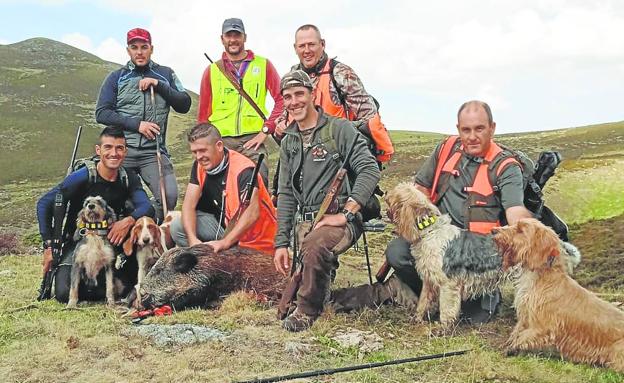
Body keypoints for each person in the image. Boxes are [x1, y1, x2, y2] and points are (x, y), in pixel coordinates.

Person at [385, 100, 533, 323]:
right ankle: (431, 292)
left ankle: (480, 292)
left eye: (479, 129)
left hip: (479, 253)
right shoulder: (445, 150)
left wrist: (529, 235)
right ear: (458, 129)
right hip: (438, 239)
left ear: (492, 128)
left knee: (473, 318)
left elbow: (515, 211)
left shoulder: (506, 167)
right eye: (466, 130)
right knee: (398, 252)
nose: (472, 136)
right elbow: (420, 191)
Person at [273, 70, 381, 332]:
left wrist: (346, 213)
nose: (294, 101)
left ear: (312, 94)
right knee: (293, 293)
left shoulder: (339, 129)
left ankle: (307, 313)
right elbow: (286, 193)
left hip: (341, 220)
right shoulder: (288, 141)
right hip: (305, 225)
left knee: (314, 250)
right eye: (287, 97)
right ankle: (377, 294)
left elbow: (369, 169)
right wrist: (281, 243)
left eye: (299, 94)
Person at [36, 127, 155, 303]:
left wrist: (128, 221)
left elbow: (146, 206)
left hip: (112, 239)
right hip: (80, 241)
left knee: (130, 278)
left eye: (119, 148)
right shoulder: (82, 176)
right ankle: (105, 288)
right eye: (108, 147)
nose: (114, 153)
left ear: (125, 151)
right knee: (63, 293)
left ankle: (130, 280)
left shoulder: (128, 177)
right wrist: (48, 245)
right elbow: (45, 203)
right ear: (98, 150)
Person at [95, 27, 191, 222]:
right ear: (128, 50)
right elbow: (102, 113)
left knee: (169, 198)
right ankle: (126, 238)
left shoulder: (166, 73)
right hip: (123, 151)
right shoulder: (116, 77)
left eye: (144, 47)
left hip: (153, 151)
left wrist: (159, 84)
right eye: (134, 47)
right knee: (116, 200)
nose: (139, 52)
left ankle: (146, 232)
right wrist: (137, 125)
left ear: (151, 49)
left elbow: (184, 104)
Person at [276, 24, 393, 164]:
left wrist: (338, 131)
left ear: (322, 44)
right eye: (302, 46)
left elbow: (369, 118)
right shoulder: (291, 75)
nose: (306, 50)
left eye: (311, 44)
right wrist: (281, 124)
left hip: (336, 158)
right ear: (295, 48)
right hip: (300, 157)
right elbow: (287, 113)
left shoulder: (341, 73)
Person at [170, 123, 276, 254]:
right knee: (177, 227)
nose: (198, 157)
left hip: (255, 240)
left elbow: (252, 213)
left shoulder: (244, 170)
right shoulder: (199, 165)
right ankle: (205, 263)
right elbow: (188, 205)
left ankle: (222, 257)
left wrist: (225, 242)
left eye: (203, 150)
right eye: (194, 152)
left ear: (219, 146)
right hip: (227, 228)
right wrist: (193, 240)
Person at [198, 18, 283, 180]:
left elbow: (281, 99)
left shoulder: (264, 65)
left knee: (259, 179)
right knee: (216, 186)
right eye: (228, 35)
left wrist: (266, 130)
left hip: (253, 140)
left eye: (237, 35)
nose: (233, 40)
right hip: (221, 140)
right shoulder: (211, 70)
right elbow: (203, 114)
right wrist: (204, 145)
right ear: (222, 39)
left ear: (245, 37)